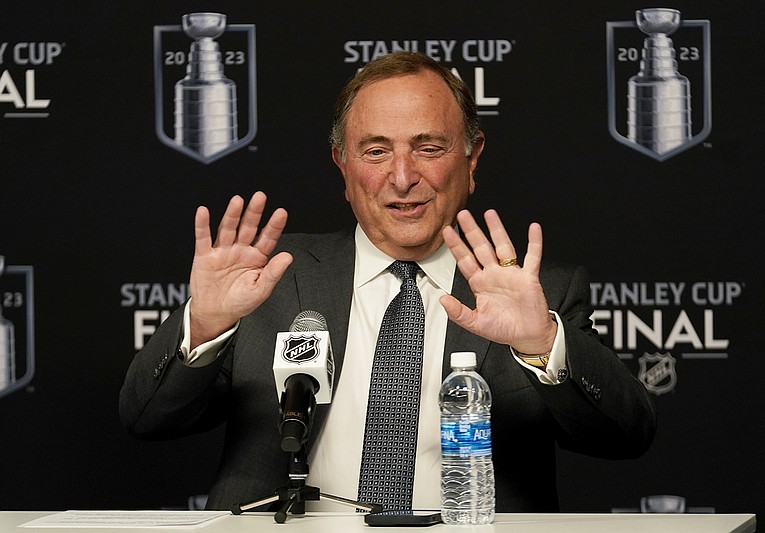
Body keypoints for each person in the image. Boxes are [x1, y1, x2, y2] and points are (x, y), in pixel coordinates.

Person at [119, 51, 655, 513]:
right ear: (343, 165)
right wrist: (206, 324)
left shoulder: (543, 293)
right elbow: (147, 420)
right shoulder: (267, 279)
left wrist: (541, 345)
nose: (402, 177)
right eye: (376, 151)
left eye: (429, 147)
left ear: (472, 160)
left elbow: (626, 437)